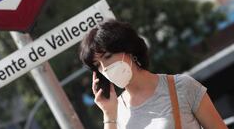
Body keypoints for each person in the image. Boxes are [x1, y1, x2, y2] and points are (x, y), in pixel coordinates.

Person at [78, 19, 227, 129]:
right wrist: (109, 115)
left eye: (108, 57)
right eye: (97, 65)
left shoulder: (181, 86)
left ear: (128, 50)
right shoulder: (115, 111)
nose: (104, 68)